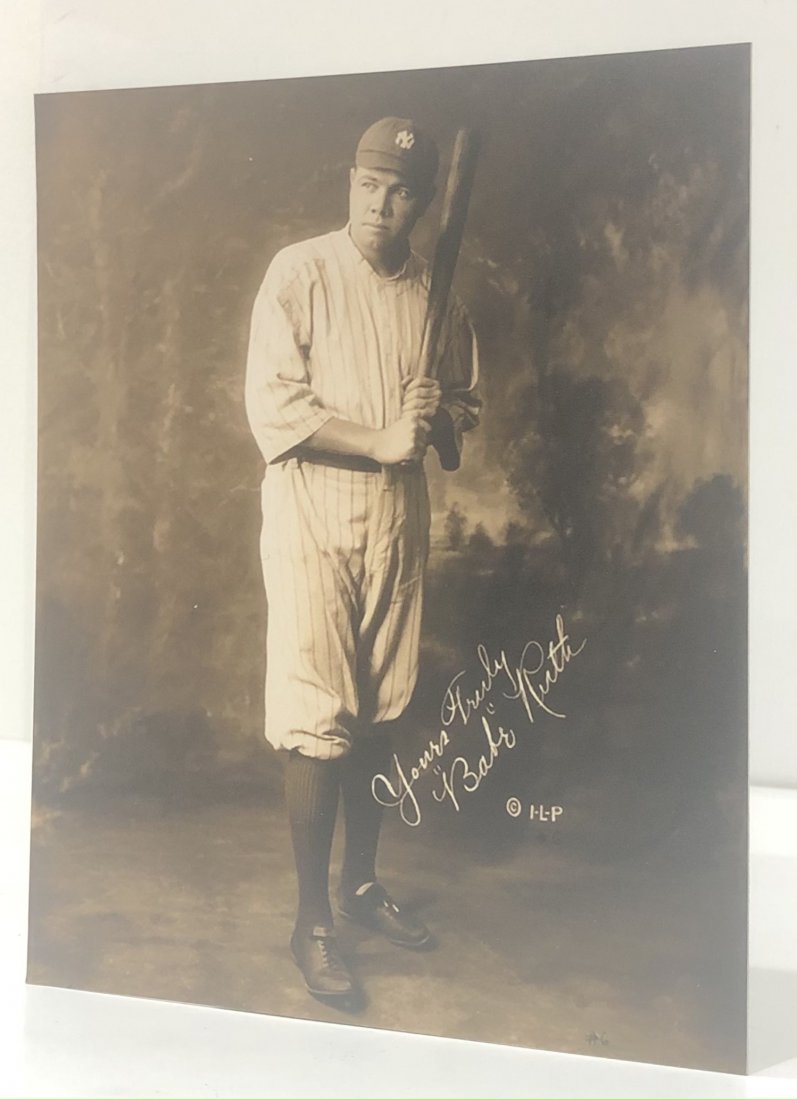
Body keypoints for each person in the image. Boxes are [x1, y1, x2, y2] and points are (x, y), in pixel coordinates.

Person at [245, 117, 480, 1000]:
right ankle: (310, 922)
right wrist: (380, 437)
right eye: (370, 184)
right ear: (350, 180)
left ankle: (361, 884)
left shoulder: (436, 297)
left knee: (382, 705)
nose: (381, 205)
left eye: (402, 192)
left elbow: (459, 423)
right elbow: (275, 409)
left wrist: (437, 416)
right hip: (311, 509)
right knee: (318, 710)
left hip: (395, 518)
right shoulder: (299, 271)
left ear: (422, 203)